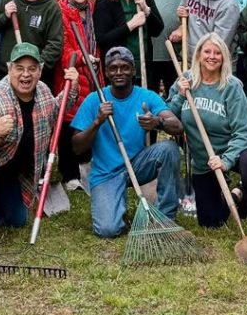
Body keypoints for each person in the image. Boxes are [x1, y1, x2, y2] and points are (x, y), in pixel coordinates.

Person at [0, 43, 77, 258]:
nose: (25, 75)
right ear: (10, 69)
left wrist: (71, 87)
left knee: (16, 220)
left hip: (7, 169)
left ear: (40, 70)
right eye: (19, 68)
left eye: (32, 68)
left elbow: (56, 112)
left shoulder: (43, 92)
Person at [166, 34, 247, 250]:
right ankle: (236, 194)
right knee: (210, 222)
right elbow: (168, 118)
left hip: (233, 152)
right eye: (207, 52)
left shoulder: (231, 87)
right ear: (199, 55)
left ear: (223, 57)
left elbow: (244, 133)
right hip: (204, 161)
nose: (212, 57)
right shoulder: (186, 80)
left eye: (217, 52)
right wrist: (180, 95)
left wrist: (226, 160)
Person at [71, 47, 183, 238]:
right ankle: (115, 203)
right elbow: (77, 147)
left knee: (169, 149)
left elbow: (177, 126)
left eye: (124, 67)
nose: (119, 72)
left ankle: (165, 217)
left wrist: (159, 122)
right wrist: (97, 122)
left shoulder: (146, 97)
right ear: (106, 72)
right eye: (113, 68)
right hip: (106, 173)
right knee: (108, 230)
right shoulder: (94, 100)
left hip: (138, 164)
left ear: (133, 70)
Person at [55, 0, 100, 191]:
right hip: (72, 73)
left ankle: (87, 165)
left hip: (94, 73)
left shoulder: (94, 11)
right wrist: (81, 58)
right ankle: (69, 173)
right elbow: (62, 47)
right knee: (68, 121)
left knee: (91, 118)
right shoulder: (61, 13)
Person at [93, 0, 164, 86]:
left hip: (144, 66)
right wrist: (131, 25)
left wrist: (146, 9)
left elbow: (157, 30)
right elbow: (102, 39)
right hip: (118, 70)